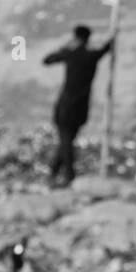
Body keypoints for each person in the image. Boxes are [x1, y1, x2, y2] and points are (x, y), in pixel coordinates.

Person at [43, 26, 115, 186]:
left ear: (76, 37)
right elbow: (105, 48)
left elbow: (47, 60)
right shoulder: (91, 56)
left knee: (66, 142)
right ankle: (55, 172)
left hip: (66, 106)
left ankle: (68, 176)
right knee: (66, 142)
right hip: (80, 108)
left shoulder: (71, 54)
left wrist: (65, 47)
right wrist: (110, 38)